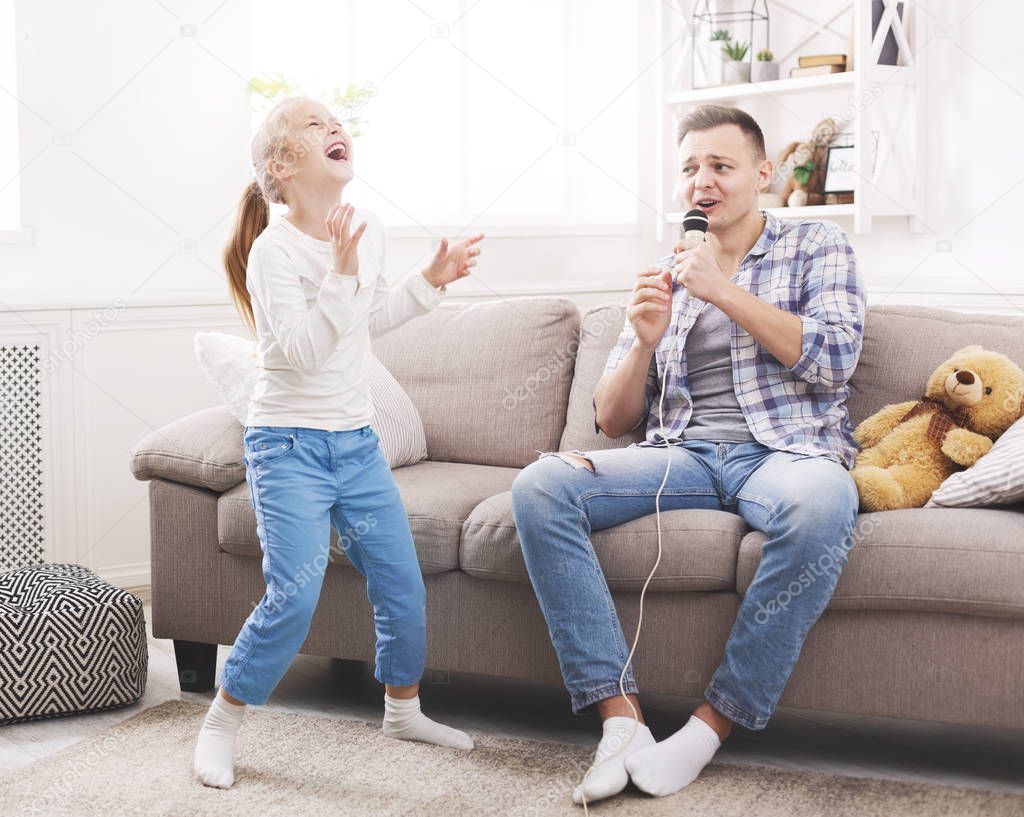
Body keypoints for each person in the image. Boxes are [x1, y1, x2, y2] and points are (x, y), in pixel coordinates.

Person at [510, 103, 866, 804]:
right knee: (539, 487)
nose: (702, 182)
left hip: (786, 453)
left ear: (762, 174)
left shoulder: (818, 246)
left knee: (827, 504)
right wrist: (643, 337)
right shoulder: (666, 272)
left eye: (721, 166)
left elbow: (834, 358)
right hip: (685, 454)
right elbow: (611, 419)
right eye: (690, 168)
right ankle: (621, 721)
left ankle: (706, 729)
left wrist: (724, 292)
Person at [193, 96, 484, 789]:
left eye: (336, 121)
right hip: (286, 445)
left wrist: (428, 282)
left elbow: (365, 321)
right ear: (282, 165)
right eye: (314, 124)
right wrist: (342, 269)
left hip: (355, 445)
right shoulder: (273, 251)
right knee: (292, 596)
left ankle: (403, 708)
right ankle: (222, 720)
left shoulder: (365, 228)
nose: (335, 128)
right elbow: (296, 352)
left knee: (403, 584)